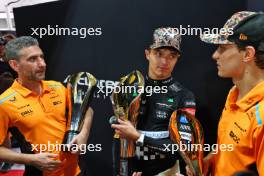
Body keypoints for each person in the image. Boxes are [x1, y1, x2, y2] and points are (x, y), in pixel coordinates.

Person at [0, 36, 94, 176]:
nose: (42, 64)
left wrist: (84, 134)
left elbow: (87, 110)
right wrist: (31, 159)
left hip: (77, 171)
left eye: (41, 57)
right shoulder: (4, 103)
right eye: (33, 59)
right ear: (15, 65)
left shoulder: (57, 87)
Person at [112, 27, 196, 175]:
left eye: (172, 56)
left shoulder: (184, 96)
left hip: (166, 172)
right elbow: (120, 136)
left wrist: (138, 137)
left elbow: (183, 150)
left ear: (177, 59)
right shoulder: (130, 88)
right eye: (158, 53)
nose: (164, 61)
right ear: (147, 54)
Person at [200, 11, 264, 175]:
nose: (215, 55)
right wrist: (213, 160)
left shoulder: (261, 115)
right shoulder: (234, 94)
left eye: (222, 48)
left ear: (248, 54)